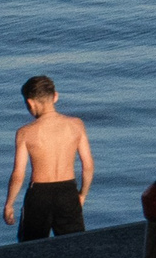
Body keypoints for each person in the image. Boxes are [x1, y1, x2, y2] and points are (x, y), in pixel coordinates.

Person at [6, 75, 92, 242]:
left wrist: (9, 204)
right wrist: (82, 194)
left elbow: (18, 174)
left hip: (39, 195)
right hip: (68, 191)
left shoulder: (25, 132)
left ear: (30, 103)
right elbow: (87, 165)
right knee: (75, 245)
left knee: (31, 247)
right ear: (55, 96)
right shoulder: (76, 124)